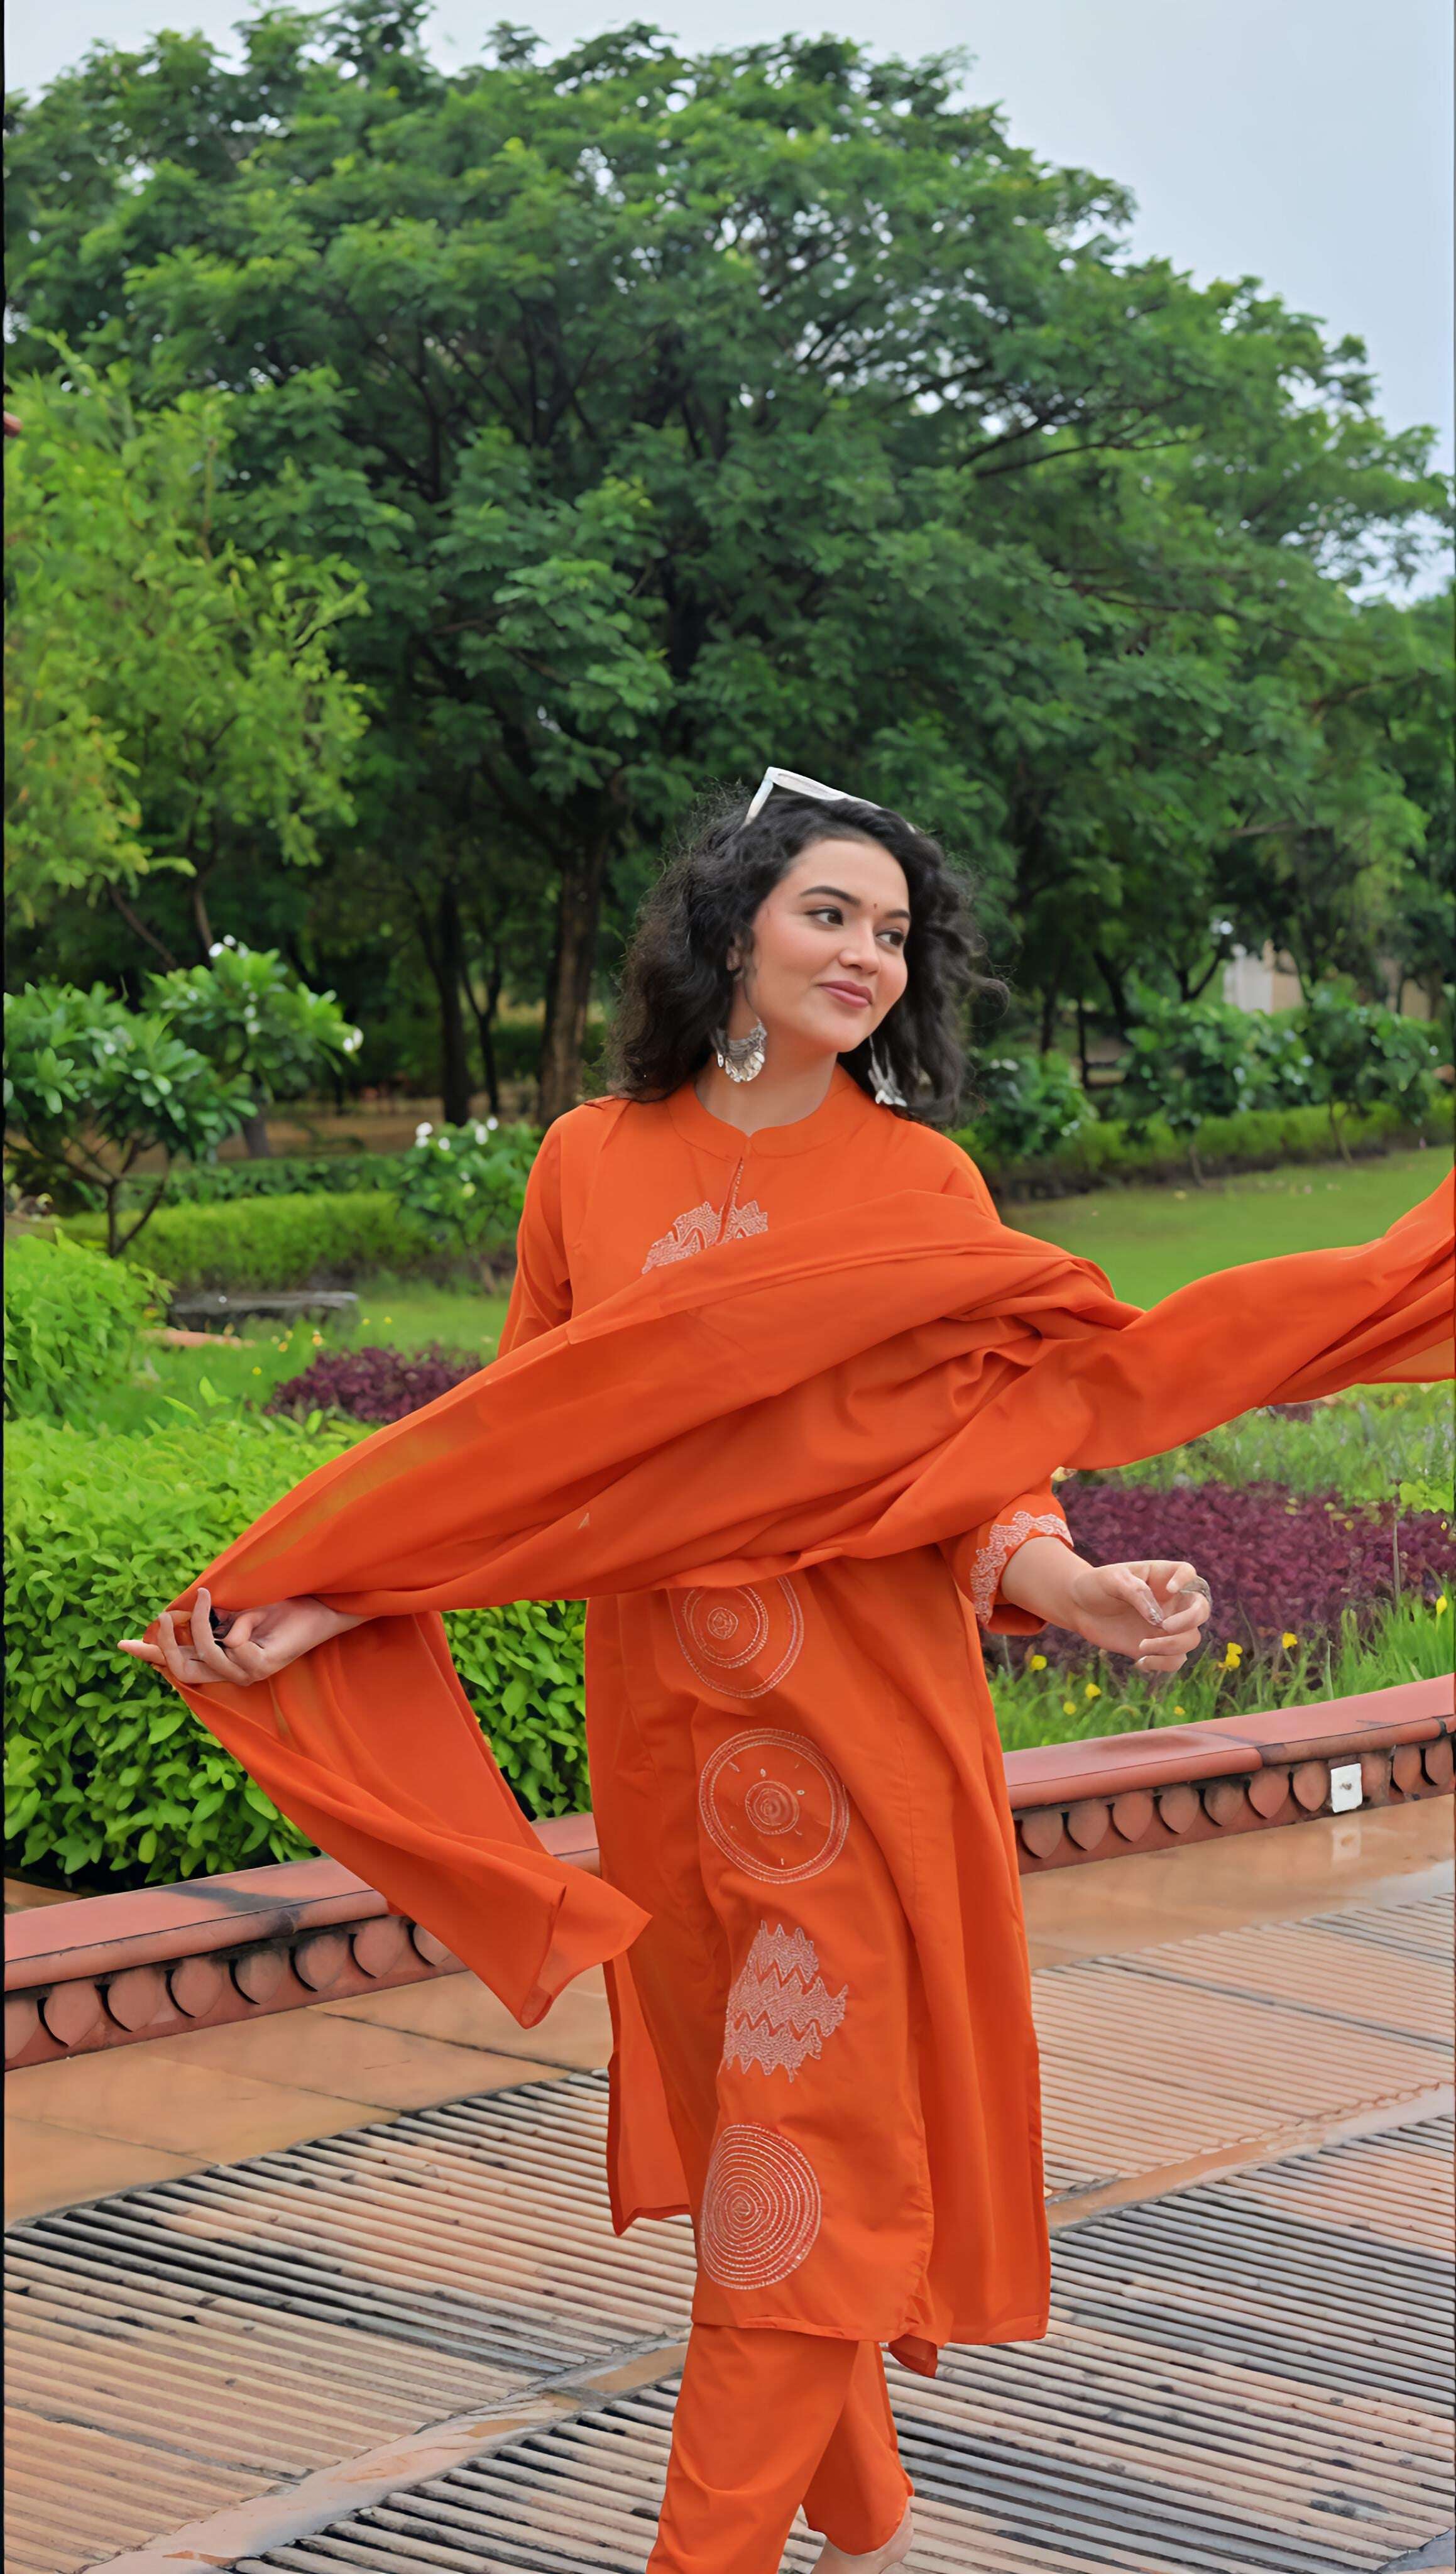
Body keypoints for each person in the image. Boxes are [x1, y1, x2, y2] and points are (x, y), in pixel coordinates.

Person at [120, 774, 1451, 2574]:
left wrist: (1073, 1586)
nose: (868, 956)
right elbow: (512, 1460)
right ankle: (868, 2506)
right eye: (832, 914)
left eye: (896, 934)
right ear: (732, 927)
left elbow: (984, 1469)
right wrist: (325, 1599)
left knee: (794, 2166)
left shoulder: (923, 1188)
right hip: (670, 1775)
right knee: (764, 2165)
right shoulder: (590, 1162)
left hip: (867, 1764)